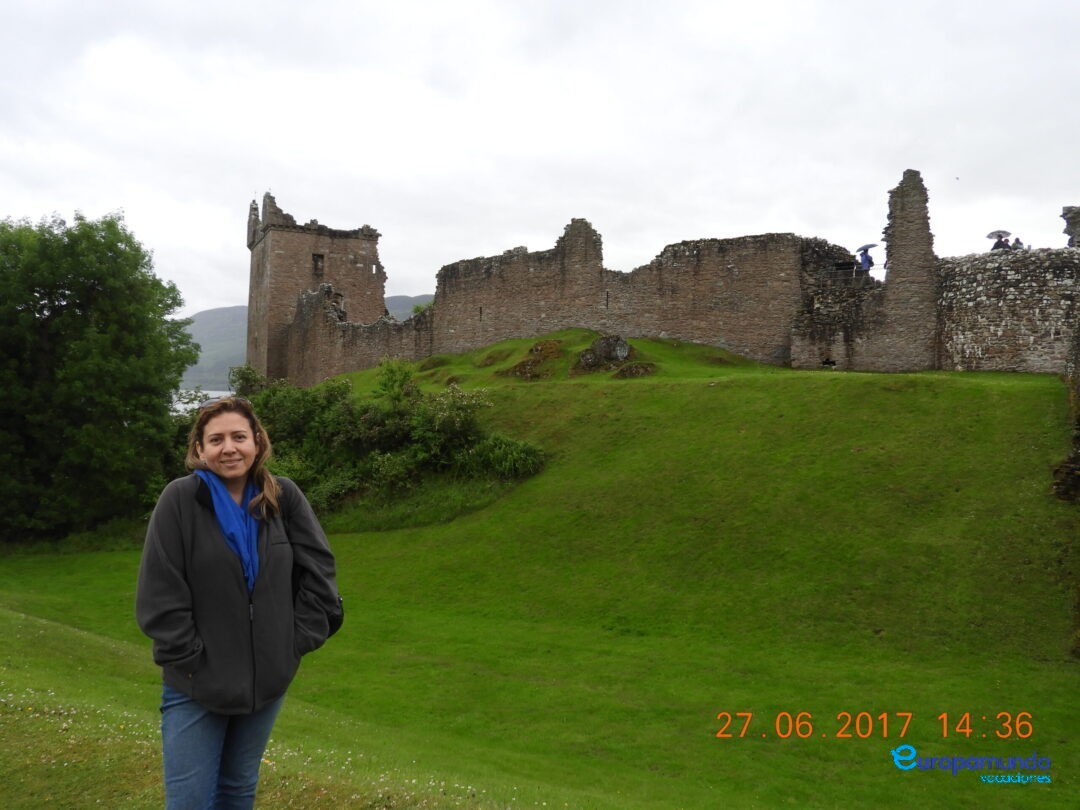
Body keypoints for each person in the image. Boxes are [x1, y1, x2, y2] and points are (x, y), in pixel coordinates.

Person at [136, 396, 343, 809]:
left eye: (238, 436)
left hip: (265, 684)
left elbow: (320, 577)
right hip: (196, 685)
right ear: (199, 450)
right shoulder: (180, 500)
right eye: (216, 439)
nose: (228, 447)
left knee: (237, 791)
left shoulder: (283, 497)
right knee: (190, 801)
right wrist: (191, 659)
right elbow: (160, 593)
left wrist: (290, 644)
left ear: (257, 442)